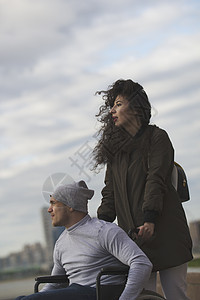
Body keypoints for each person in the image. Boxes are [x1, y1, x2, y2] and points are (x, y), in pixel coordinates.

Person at [92, 79, 193, 300]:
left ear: (136, 106)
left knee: (175, 294)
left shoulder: (157, 138)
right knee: (140, 296)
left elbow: (155, 180)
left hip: (166, 233)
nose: (112, 111)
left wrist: (150, 218)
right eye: (112, 105)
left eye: (118, 104)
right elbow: (110, 192)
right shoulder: (116, 152)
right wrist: (99, 226)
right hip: (135, 241)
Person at [15, 180, 152, 300]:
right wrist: (38, 297)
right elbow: (56, 283)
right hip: (76, 292)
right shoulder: (61, 243)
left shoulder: (104, 231)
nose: (49, 209)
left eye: (53, 203)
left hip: (101, 292)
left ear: (70, 206)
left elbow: (141, 263)